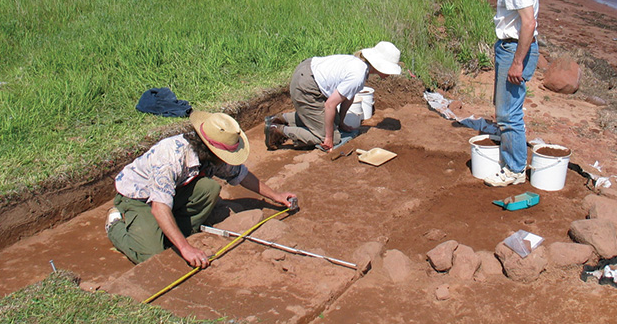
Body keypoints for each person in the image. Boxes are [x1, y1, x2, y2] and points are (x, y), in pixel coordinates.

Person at [105, 111, 296, 267]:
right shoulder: (170, 158)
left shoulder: (209, 155)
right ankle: (115, 226)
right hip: (139, 198)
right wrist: (186, 248)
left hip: (174, 191)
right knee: (151, 254)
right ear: (211, 151)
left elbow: (241, 175)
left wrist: (276, 196)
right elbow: (159, 208)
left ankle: (174, 232)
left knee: (209, 188)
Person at [464, 0, 539, 187]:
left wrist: (518, 62)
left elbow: (528, 23)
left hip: (515, 48)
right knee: (505, 109)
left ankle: (515, 170)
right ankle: (512, 162)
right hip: (507, 47)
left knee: (509, 114)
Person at [265, 41, 402, 152]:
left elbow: (348, 97)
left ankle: (280, 118)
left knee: (333, 123)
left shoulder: (359, 65)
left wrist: (341, 122)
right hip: (306, 86)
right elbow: (330, 105)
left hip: (307, 74)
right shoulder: (358, 75)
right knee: (333, 136)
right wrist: (328, 138)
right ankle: (277, 130)